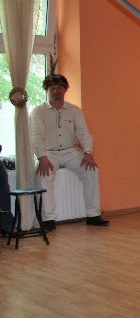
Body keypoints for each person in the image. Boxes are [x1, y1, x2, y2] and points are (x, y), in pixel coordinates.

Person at [30, 74, 109, 229]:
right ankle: (48, 219)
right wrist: (42, 157)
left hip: (71, 151)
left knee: (92, 170)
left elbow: (83, 132)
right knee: (43, 175)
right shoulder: (38, 111)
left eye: (59, 88)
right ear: (47, 90)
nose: (56, 91)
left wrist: (88, 152)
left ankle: (93, 215)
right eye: (52, 88)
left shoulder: (75, 110)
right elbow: (36, 136)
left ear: (65, 90)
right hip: (49, 153)